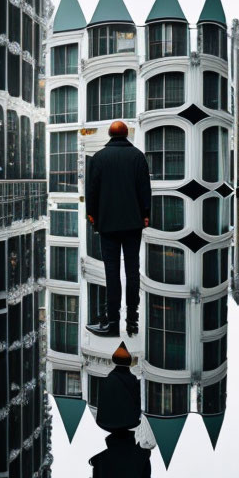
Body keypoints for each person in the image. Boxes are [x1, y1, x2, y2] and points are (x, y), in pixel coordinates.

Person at [85, 120, 151, 337]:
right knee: (133, 271)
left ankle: (112, 324)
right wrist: (146, 215)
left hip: (108, 224)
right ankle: (133, 321)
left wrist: (92, 215)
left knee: (111, 273)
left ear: (110, 135)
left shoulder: (99, 158)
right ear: (126, 134)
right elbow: (144, 189)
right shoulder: (138, 156)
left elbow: (91, 190)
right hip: (133, 223)